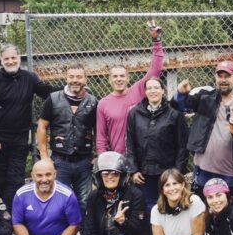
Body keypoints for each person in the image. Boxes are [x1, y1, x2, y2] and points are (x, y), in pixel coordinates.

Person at [0, 44, 58, 208]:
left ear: (19, 59)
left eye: (13, 58)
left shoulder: (29, 78)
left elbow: (45, 92)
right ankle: (4, 212)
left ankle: (15, 214)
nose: (10, 61)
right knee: (0, 179)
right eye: (6, 59)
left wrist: (68, 90)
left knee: (16, 178)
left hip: (20, 137)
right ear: (1, 61)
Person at [173, 60, 233, 199]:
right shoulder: (204, 97)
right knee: (201, 210)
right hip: (204, 169)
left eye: (227, 76)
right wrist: (181, 94)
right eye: (220, 76)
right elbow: (180, 106)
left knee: (228, 210)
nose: (223, 80)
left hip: (230, 171)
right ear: (215, 78)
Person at [95, 22, 166, 155]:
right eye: (115, 76)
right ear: (110, 80)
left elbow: (155, 69)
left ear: (128, 78)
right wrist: (103, 158)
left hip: (142, 155)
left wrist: (156, 42)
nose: (119, 79)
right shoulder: (103, 104)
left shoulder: (138, 90)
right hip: (118, 156)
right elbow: (101, 136)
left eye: (122, 76)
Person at [36, 63, 97, 210]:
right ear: (66, 78)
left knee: (84, 202)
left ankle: (84, 233)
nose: (75, 80)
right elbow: (42, 127)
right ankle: (61, 232)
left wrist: (96, 154)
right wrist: (44, 156)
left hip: (84, 161)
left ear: (85, 79)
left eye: (79, 77)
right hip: (60, 160)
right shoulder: (53, 99)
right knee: (59, 201)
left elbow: (99, 129)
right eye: (71, 76)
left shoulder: (93, 101)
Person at [125, 77, 189, 213]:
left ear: (162, 90)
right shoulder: (134, 113)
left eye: (156, 87)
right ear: (145, 92)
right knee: (147, 209)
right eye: (149, 88)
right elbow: (130, 143)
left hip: (167, 172)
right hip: (144, 174)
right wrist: (133, 170)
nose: (152, 91)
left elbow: (182, 146)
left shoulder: (175, 113)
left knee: (170, 207)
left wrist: (177, 172)